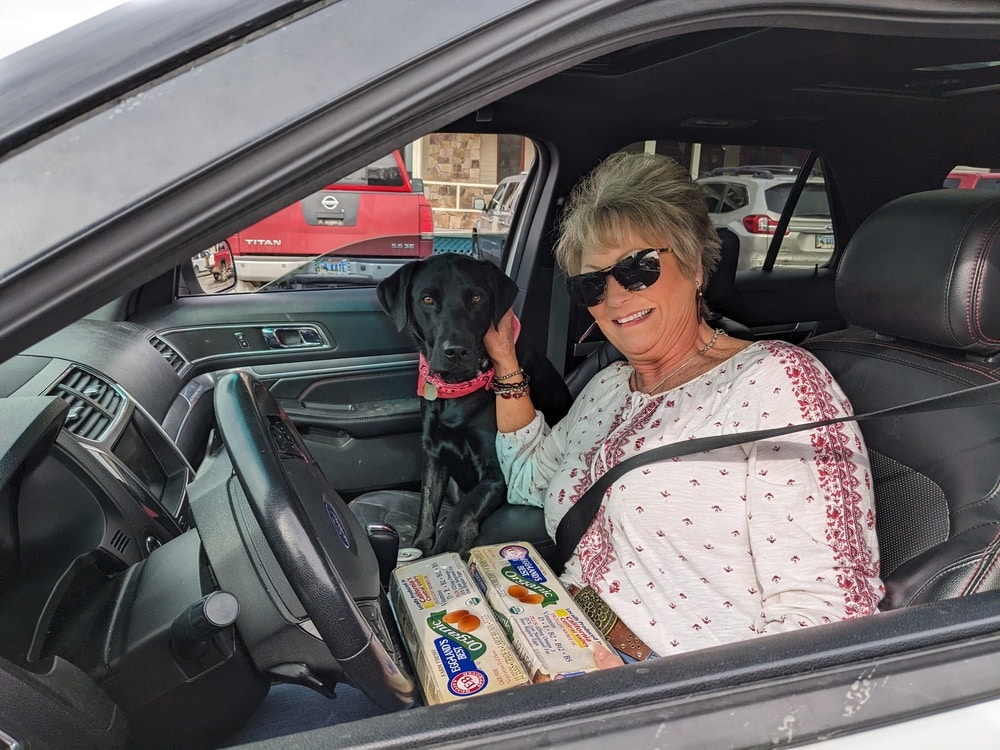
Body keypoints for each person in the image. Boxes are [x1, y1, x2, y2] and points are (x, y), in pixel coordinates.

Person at [483, 152, 883, 662]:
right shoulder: (608, 388)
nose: (615, 297)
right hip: (561, 638)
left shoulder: (776, 383)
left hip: (671, 688)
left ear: (694, 265)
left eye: (638, 269)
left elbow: (830, 615)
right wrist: (505, 362)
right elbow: (526, 480)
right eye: (592, 283)